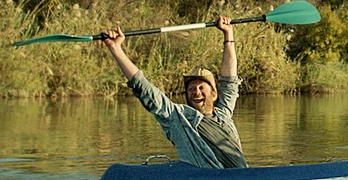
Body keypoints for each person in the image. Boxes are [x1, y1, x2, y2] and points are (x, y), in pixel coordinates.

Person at [98, 15, 247, 168]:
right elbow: (145, 90)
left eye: (201, 88)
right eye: (191, 89)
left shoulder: (224, 114)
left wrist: (228, 34)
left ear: (214, 94)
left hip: (242, 178)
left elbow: (229, 80)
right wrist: (116, 49)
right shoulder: (177, 118)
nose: (196, 92)